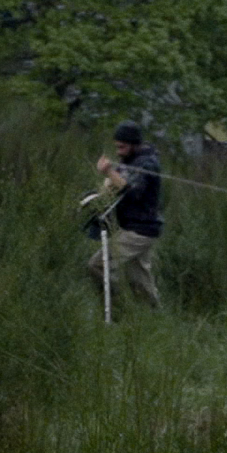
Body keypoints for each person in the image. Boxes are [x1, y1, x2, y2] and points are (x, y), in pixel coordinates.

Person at [87, 121, 163, 313]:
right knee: (141, 283)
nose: (118, 152)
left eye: (122, 147)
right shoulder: (130, 159)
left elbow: (133, 192)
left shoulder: (148, 163)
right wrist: (107, 182)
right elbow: (118, 182)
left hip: (140, 230)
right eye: (117, 147)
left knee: (98, 265)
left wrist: (109, 172)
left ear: (134, 144)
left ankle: (120, 309)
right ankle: (154, 317)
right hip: (136, 227)